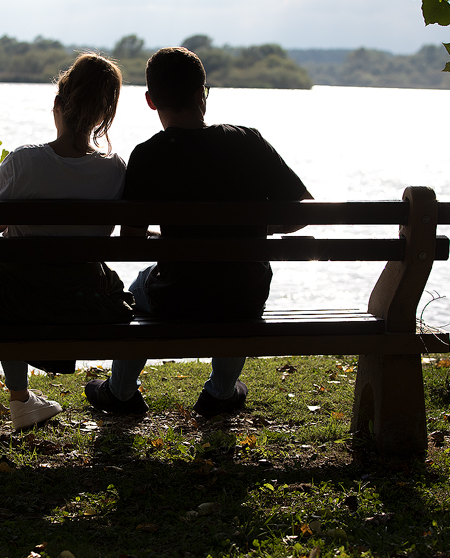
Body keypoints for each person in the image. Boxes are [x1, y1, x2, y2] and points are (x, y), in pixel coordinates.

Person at [84, 46, 312, 418]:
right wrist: (251, 230)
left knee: (139, 287)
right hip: (246, 296)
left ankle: (120, 391)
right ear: (200, 94)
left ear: (150, 101)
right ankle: (221, 392)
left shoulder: (148, 155)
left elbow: (132, 243)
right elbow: (304, 208)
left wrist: (172, 241)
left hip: (177, 296)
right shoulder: (248, 140)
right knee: (237, 277)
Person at [0, 52, 134, 430]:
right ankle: (25, 401)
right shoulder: (115, 171)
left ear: (57, 104)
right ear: (105, 114)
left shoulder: (25, 162)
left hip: (13, 301)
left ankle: (20, 398)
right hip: (82, 298)